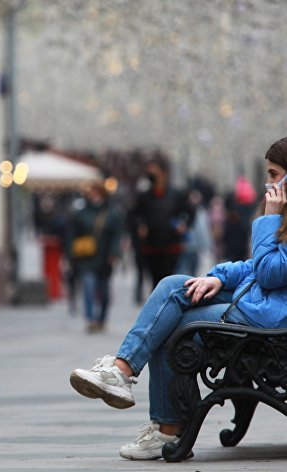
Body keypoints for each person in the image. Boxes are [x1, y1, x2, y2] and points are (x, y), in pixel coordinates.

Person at [70, 136, 287, 461]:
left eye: (273, 174)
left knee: (172, 326)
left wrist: (270, 216)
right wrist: (216, 277)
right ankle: (123, 374)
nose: (267, 182)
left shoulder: (276, 213)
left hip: (271, 318)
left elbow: (271, 273)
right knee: (175, 286)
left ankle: (162, 423)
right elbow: (257, 267)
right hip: (261, 302)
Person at [131, 151, 193, 290]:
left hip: (171, 245)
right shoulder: (145, 197)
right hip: (151, 246)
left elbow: (190, 211)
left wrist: (184, 225)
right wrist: (140, 226)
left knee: (169, 279)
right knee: (155, 280)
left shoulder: (176, 194)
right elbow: (134, 215)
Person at [67, 182, 123, 333]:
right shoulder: (81, 213)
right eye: (91, 192)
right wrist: (70, 253)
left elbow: (116, 235)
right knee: (88, 286)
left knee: (104, 291)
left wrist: (114, 252)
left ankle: (102, 319)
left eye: (96, 192)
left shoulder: (112, 213)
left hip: (104, 258)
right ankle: (90, 319)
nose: (93, 196)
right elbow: (72, 234)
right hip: (86, 258)